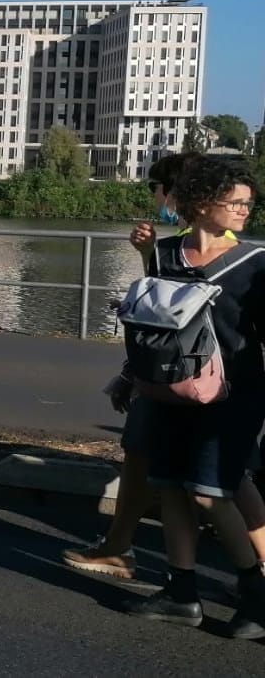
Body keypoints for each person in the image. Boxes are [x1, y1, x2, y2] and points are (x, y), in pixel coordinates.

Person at [126, 159, 265, 637]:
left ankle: (257, 595)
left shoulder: (257, 262)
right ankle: (181, 593)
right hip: (168, 390)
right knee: (169, 487)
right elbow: (154, 324)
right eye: (237, 202)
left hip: (233, 396)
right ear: (203, 204)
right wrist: (129, 376)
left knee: (209, 493)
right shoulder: (165, 255)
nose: (246, 209)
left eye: (249, 202)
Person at [65, 151, 203, 578]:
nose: (154, 196)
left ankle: (120, 547)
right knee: (184, 470)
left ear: (174, 191)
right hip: (181, 374)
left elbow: (167, 313)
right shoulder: (184, 242)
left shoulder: (195, 245)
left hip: (176, 375)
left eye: (156, 187)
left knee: (177, 468)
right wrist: (148, 255)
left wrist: (132, 372)